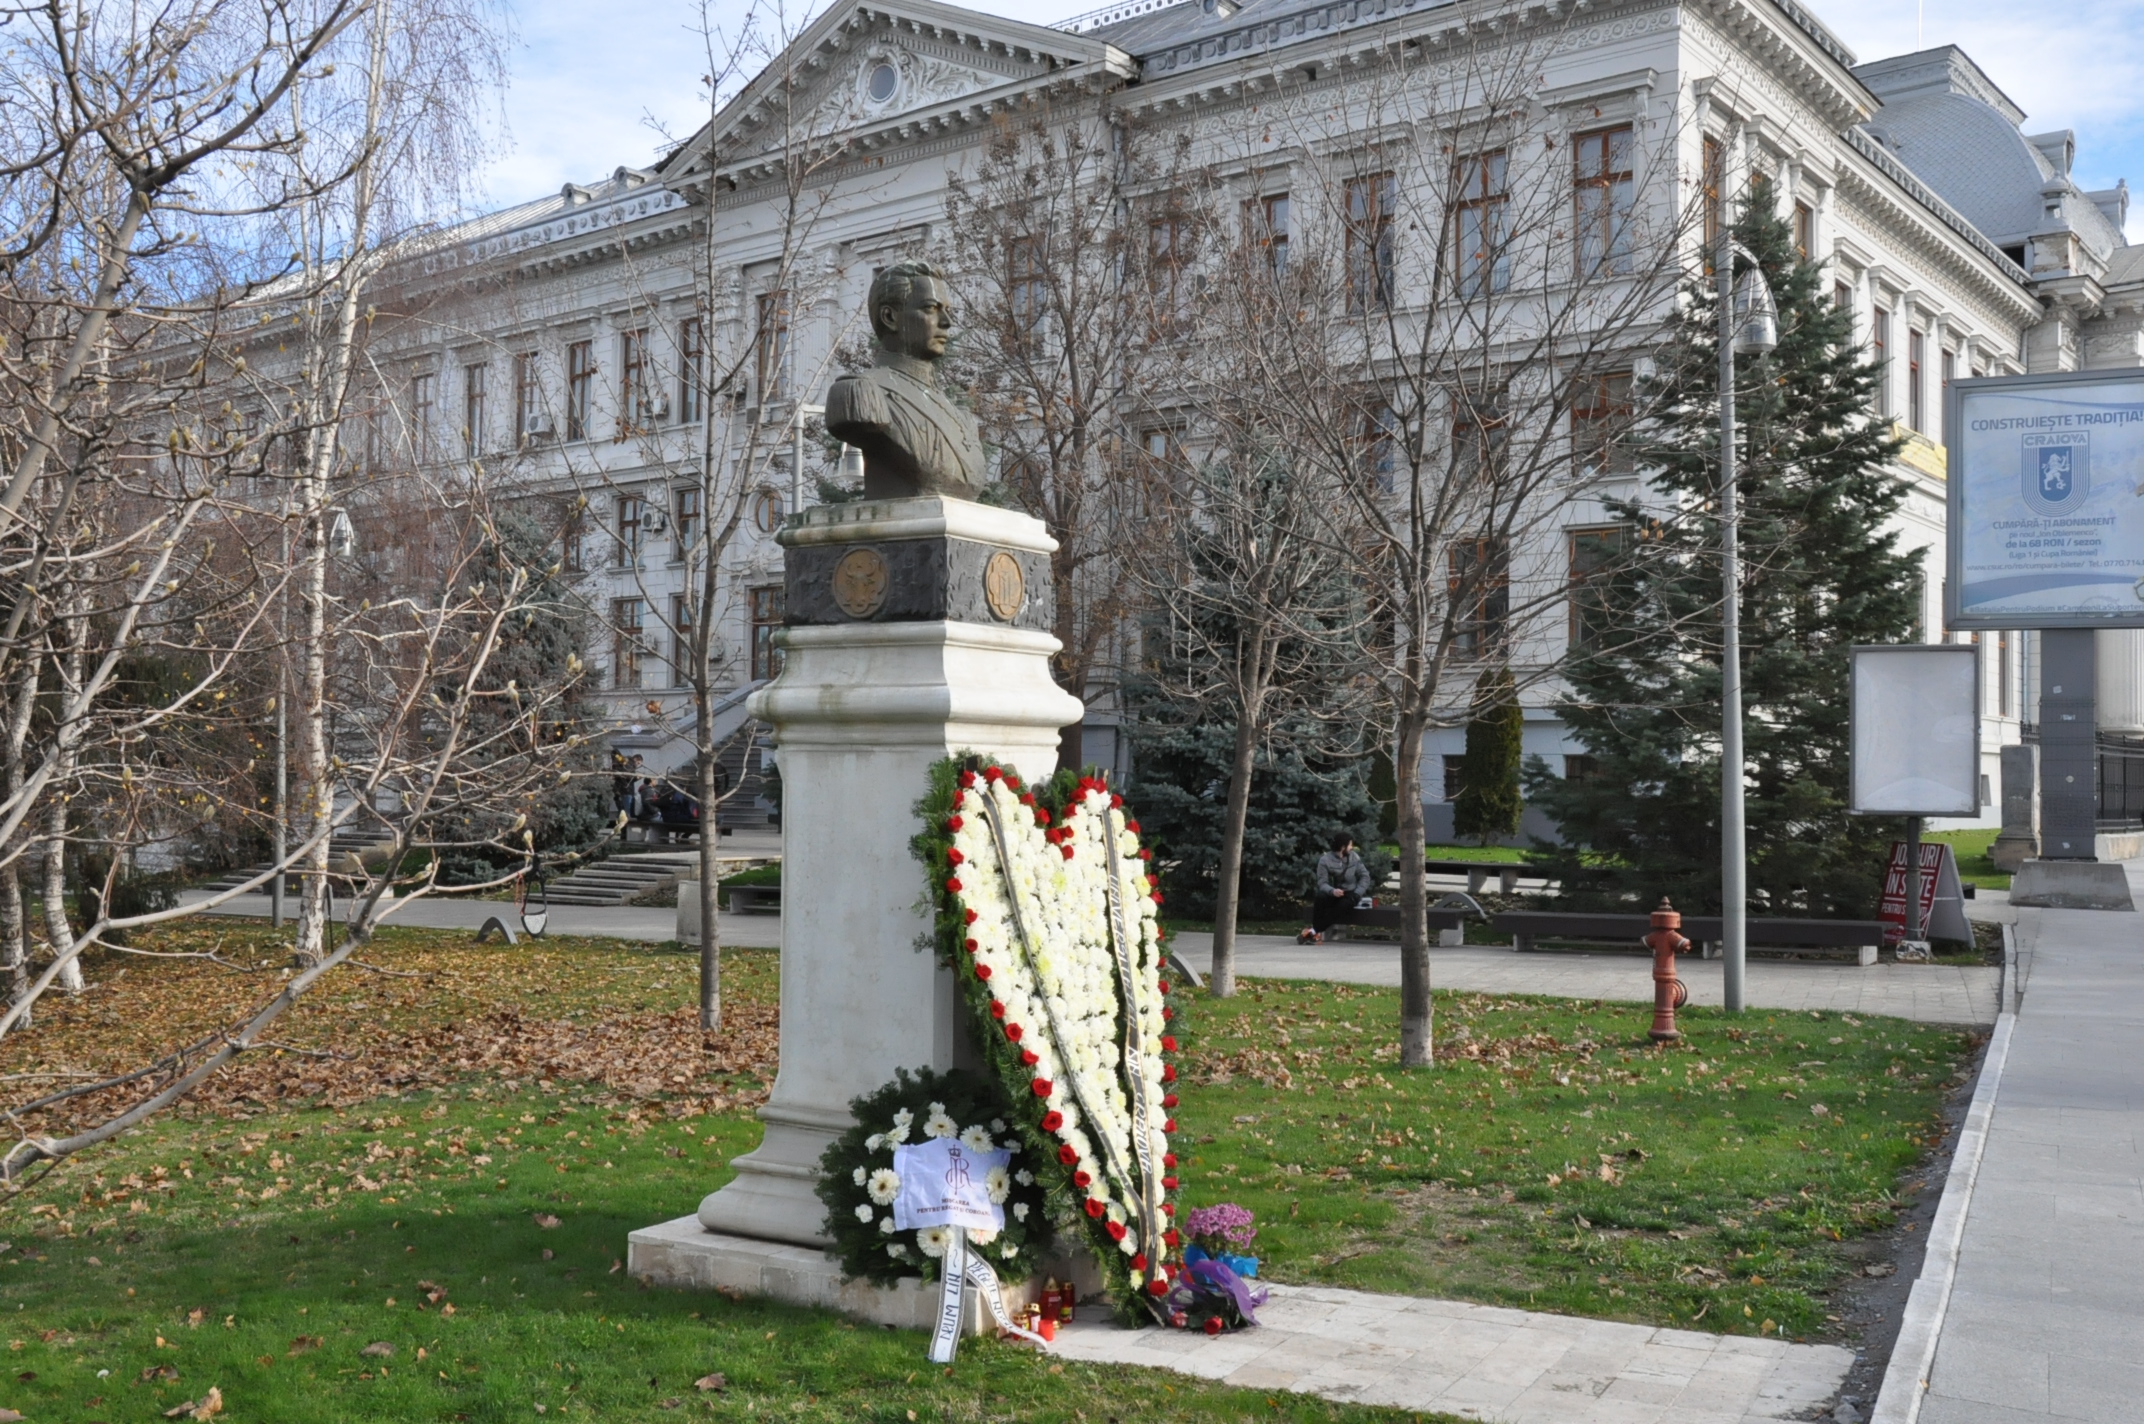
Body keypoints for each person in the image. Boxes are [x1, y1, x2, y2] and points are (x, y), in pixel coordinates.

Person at [1301, 833, 1373, 944]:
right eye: (1349, 845)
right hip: (1334, 892)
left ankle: (1314, 931)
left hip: (1352, 893)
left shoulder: (1354, 857)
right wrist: (1332, 891)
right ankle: (1315, 933)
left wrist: (1358, 893)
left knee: (1344, 905)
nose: (1351, 847)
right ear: (1343, 847)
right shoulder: (1325, 860)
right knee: (1320, 897)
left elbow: (1365, 877)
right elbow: (1322, 882)